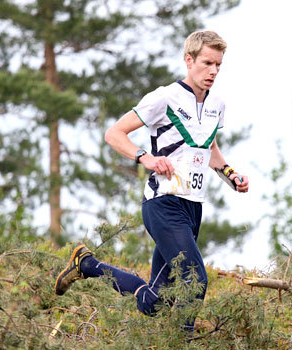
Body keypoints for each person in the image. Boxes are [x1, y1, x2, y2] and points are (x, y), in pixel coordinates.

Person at [54, 30, 249, 331]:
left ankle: (87, 265)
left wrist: (230, 174)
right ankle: (182, 342)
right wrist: (145, 157)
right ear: (189, 59)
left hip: (192, 208)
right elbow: (114, 133)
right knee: (194, 280)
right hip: (163, 204)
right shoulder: (164, 97)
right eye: (207, 63)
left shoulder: (217, 105)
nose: (213, 71)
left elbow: (207, 147)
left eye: (218, 65)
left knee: (155, 303)